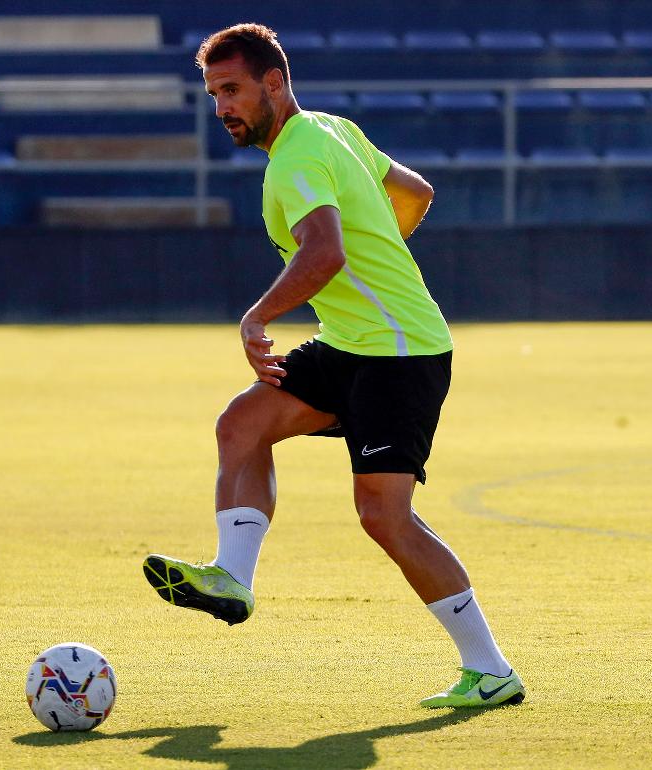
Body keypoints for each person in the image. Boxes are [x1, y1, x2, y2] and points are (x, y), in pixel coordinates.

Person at [142, 23, 524, 709]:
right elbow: (417, 192)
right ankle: (232, 577)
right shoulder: (330, 130)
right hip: (354, 341)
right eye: (212, 95)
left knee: (385, 515)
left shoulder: (296, 157)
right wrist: (381, 246)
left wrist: (257, 317)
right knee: (242, 424)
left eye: (232, 90)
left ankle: (491, 669)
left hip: (399, 353)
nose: (222, 106)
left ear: (273, 83)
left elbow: (323, 255)